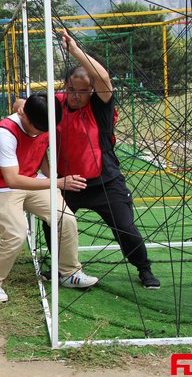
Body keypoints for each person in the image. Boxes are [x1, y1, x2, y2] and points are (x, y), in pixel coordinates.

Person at [50, 29, 160, 289]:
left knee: (126, 228)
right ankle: (61, 268)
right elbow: (31, 108)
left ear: (92, 91)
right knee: (53, 222)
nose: (75, 95)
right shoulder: (56, 103)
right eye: (70, 89)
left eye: (82, 91)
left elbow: (103, 77)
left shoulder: (101, 106)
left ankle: (144, 268)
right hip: (68, 183)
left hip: (105, 181)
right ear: (65, 86)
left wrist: (75, 51)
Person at [0, 94, 99, 304]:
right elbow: (12, 179)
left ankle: (69, 273)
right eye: (36, 129)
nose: (40, 134)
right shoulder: (4, 133)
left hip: (32, 179)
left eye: (45, 130)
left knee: (65, 218)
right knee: (16, 232)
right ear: (22, 114)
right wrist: (57, 183)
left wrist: (51, 177)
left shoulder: (44, 118)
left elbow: (40, 150)